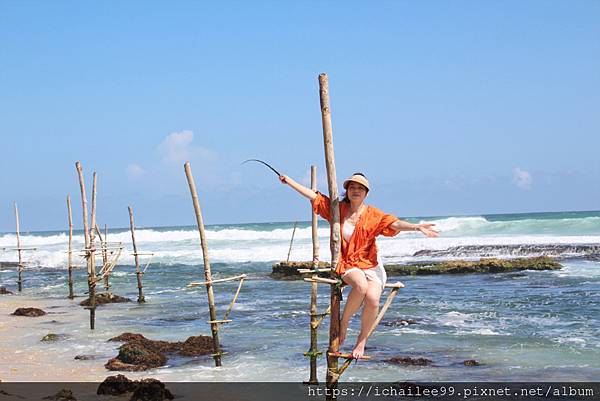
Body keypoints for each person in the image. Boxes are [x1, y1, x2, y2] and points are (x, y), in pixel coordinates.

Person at [279, 172, 438, 359]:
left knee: (372, 300)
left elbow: (394, 223)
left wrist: (416, 227)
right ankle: (344, 324)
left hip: (371, 264)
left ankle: (361, 342)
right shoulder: (337, 209)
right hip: (347, 263)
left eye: (360, 188)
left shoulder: (373, 215)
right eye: (352, 187)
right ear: (347, 190)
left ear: (366, 193)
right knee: (361, 286)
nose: (356, 190)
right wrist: (289, 181)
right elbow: (314, 196)